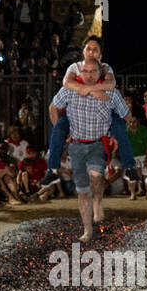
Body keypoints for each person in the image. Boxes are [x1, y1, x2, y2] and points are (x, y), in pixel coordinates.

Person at [49, 60, 129, 241]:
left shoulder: (110, 92)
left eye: (93, 71)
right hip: (76, 146)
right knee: (83, 191)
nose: (89, 74)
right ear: (81, 73)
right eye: (86, 71)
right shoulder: (69, 90)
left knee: (96, 176)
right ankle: (87, 229)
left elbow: (125, 113)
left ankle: (98, 203)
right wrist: (61, 131)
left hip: (98, 144)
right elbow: (53, 107)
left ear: (100, 73)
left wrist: (116, 133)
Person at [44, 36, 133, 183]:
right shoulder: (75, 67)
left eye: (95, 50)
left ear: (100, 55)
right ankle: (52, 170)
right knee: (59, 127)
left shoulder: (105, 67)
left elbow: (110, 85)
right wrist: (94, 90)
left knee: (118, 124)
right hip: (76, 115)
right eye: (88, 49)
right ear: (83, 51)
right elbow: (66, 82)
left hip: (100, 118)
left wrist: (87, 89)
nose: (91, 52)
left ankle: (130, 168)